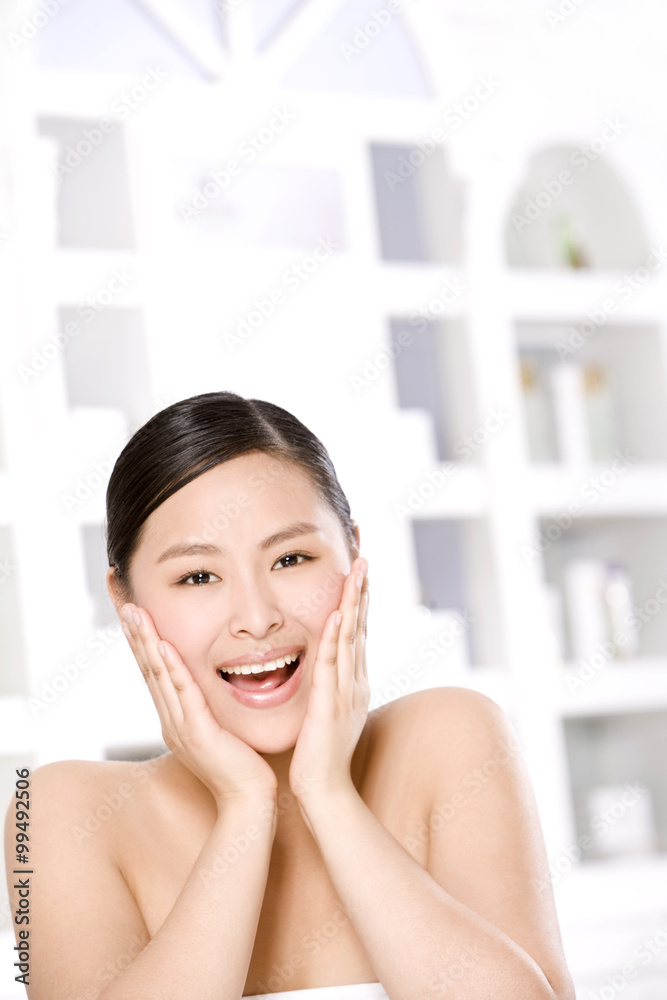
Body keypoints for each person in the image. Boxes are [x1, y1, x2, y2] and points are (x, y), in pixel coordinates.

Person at [4, 391, 575, 1000]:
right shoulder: (51, 814)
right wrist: (245, 804)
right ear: (126, 602)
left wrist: (328, 794)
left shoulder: (451, 739)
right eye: (198, 576)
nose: (255, 617)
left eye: (292, 558)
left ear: (353, 556)